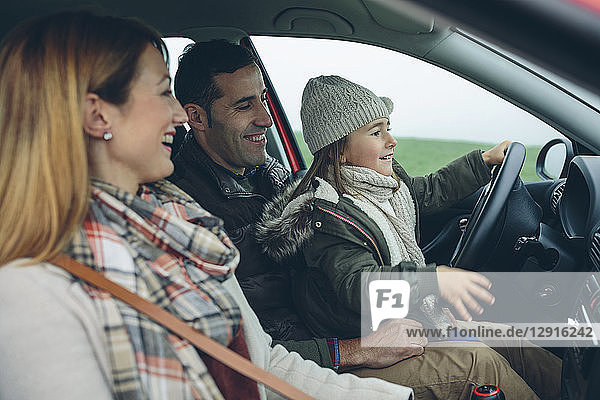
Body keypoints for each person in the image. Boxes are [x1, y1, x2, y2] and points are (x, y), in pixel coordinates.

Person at [0, 12, 417, 399]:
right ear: (98, 116)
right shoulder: (29, 290)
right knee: (473, 355)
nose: (178, 113)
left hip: (323, 357)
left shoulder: (179, 223)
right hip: (332, 348)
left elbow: (258, 364)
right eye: (163, 93)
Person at [169, 42, 560, 399]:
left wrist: (481, 163)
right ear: (196, 117)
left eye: (264, 100)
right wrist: (357, 349)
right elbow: (244, 351)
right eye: (244, 106)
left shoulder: (271, 177)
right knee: (476, 362)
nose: (266, 119)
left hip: (349, 331)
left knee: (508, 332)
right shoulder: (191, 216)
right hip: (315, 363)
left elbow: (420, 195)